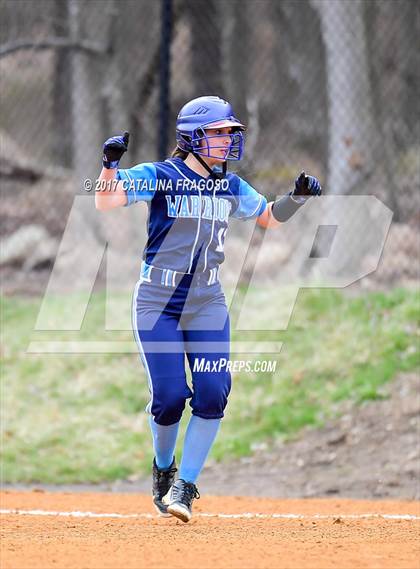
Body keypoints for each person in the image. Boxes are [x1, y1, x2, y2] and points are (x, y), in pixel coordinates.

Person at [95, 95, 321, 522]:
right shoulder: (161, 175)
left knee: (214, 392)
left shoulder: (230, 185)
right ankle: (164, 469)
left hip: (207, 302)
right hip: (158, 302)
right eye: (218, 133)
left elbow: (269, 217)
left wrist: (297, 197)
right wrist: (109, 165)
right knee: (169, 399)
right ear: (192, 138)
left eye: (230, 134)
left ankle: (186, 487)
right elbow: (105, 201)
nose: (227, 141)